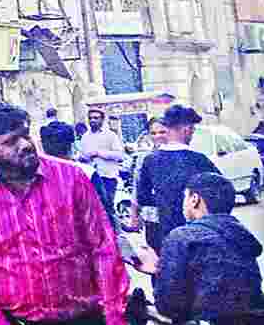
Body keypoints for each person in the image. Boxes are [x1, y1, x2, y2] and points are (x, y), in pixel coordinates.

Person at [0, 102, 128, 325]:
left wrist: (114, 313)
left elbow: (103, 247)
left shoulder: (71, 177)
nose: (25, 145)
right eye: (11, 141)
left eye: (25, 135)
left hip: (86, 316)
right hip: (14, 319)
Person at [130, 172, 264, 323]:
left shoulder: (182, 237)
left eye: (184, 197)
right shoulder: (240, 236)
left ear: (195, 199)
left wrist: (160, 272)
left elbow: (168, 307)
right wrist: (163, 267)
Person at [134, 104, 219, 251]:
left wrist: (164, 203)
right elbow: (221, 193)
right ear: (187, 129)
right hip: (196, 232)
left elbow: (142, 197)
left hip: (164, 233)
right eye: (193, 130)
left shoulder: (150, 160)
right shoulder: (199, 160)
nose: (192, 134)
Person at [78, 109, 130, 222]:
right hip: (90, 178)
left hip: (107, 177)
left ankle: (114, 231)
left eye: (96, 118)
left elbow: (120, 156)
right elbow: (81, 156)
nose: (92, 120)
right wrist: (83, 158)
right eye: (90, 118)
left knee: (108, 208)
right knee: (93, 210)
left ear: (102, 120)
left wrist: (99, 153)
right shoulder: (85, 137)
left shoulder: (111, 136)